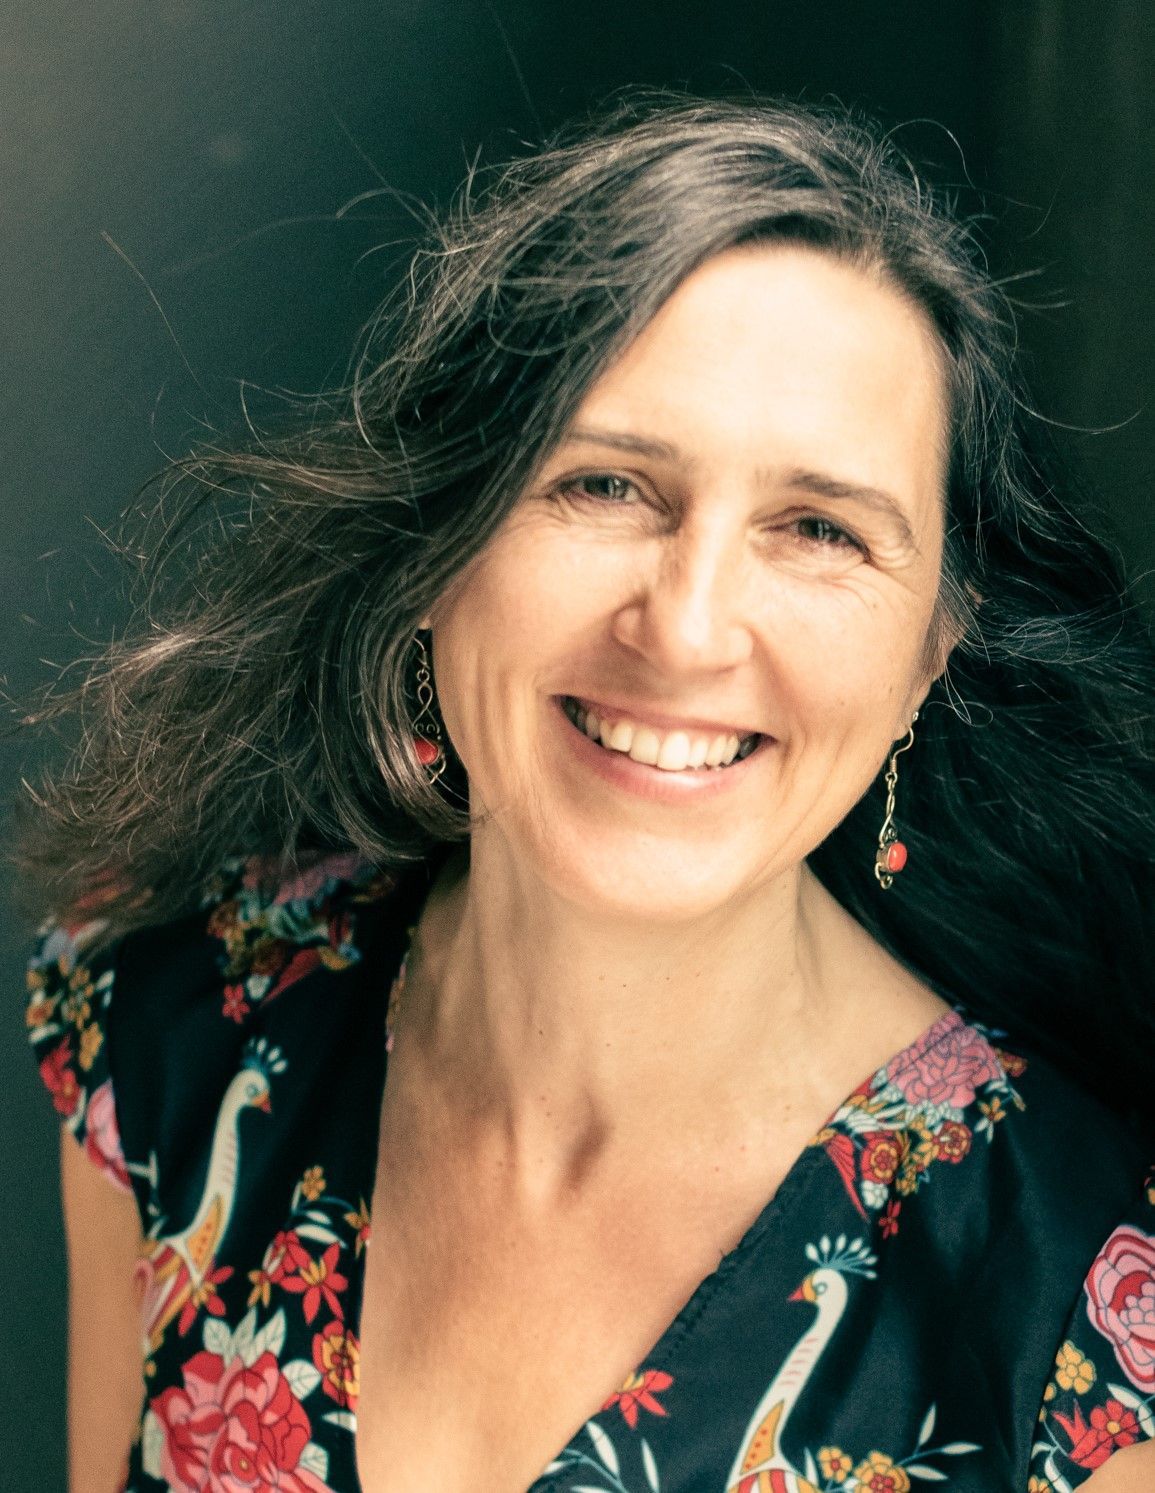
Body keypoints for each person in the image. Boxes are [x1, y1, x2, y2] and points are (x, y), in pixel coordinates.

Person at [16, 93, 1155, 1493]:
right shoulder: (176, 1017)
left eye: (818, 528)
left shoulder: (1076, 1314)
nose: (686, 627)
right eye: (606, 484)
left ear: (933, 649)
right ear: (434, 542)